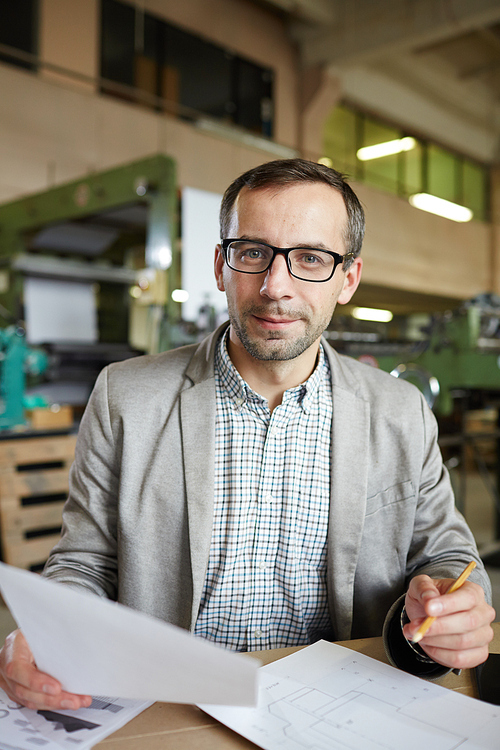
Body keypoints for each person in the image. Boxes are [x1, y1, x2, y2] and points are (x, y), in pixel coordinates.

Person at [0, 158, 495, 711]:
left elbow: (448, 557)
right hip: (168, 705)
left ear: (348, 279)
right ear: (220, 265)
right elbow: (84, 565)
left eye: (310, 258)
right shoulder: (126, 397)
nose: (274, 286)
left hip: (341, 709)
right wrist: (48, 636)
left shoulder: (401, 413)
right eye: (253, 252)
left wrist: (452, 610)